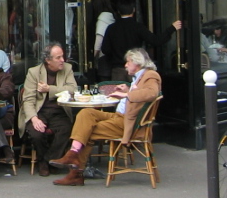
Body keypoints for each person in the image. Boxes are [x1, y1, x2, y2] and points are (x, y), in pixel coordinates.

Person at [49, 48, 161, 186]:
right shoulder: (139, 77)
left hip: (129, 124)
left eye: (128, 62)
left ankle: (75, 173)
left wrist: (127, 95)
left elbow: (152, 93)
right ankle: (73, 155)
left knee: (87, 130)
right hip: (119, 117)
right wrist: (127, 90)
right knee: (86, 113)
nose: (125, 65)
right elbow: (141, 94)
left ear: (137, 62)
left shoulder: (151, 75)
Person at [19, 42, 77, 177]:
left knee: (66, 129)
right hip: (39, 111)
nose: (63, 60)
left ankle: (49, 160)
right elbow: (28, 99)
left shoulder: (67, 69)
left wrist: (50, 89)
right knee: (37, 133)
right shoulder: (34, 72)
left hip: (59, 111)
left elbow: (73, 90)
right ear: (48, 60)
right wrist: (34, 119)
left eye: (62, 56)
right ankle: (44, 162)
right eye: (58, 58)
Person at [101, 0, 181, 80]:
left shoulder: (111, 28)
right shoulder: (138, 27)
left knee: (118, 92)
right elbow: (156, 41)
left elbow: (105, 50)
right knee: (137, 91)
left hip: (118, 71)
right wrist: (171, 29)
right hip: (135, 68)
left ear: (118, 11)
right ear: (134, 10)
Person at [91, 0, 116, 80]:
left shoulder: (102, 17)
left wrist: (93, 56)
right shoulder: (111, 15)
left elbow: (99, 39)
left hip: (104, 58)